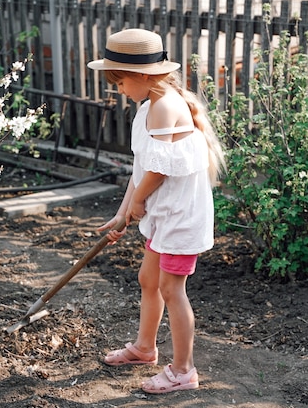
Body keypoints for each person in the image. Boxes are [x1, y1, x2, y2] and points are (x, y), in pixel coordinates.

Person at [87, 28, 225, 394]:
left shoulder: (165, 106)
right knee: (149, 281)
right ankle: (145, 349)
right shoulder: (150, 106)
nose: (118, 89)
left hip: (180, 219)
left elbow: (160, 170)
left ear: (145, 76)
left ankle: (183, 371)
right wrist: (123, 212)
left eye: (120, 81)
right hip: (164, 215)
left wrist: (137, 203)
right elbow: (143, 167)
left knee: (171, 288)